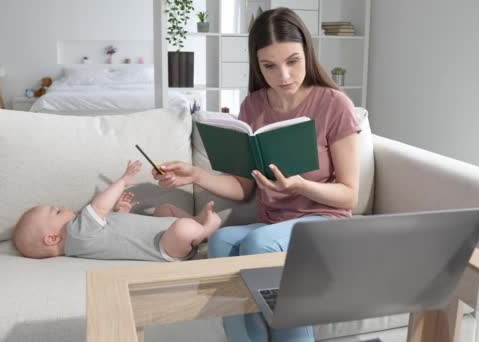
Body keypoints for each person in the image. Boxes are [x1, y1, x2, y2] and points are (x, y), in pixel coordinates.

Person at [152, 7, 360, 342]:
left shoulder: (335, 105)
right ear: (257, 65)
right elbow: (243, 188)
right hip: (275, 225)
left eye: (293, 61)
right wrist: (196, 175)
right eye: (269, 66)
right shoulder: (253, 106)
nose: (284, 75)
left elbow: (350, 194)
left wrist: (300, 185)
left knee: (258, 243)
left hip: (326, 222)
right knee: (221, 240)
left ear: (307, 51)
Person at [12, 160, 221, 262]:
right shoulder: (76, 234)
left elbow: (117, 235)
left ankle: (196, 222)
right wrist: (123, 180)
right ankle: (204, 231)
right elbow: (99, 206)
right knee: (183, 229)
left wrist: (122, 213)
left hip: (164, 231)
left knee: (163, 209)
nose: (65, 208)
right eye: (57, 212)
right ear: (51, 238)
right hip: (166, 247)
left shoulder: (85, 238)